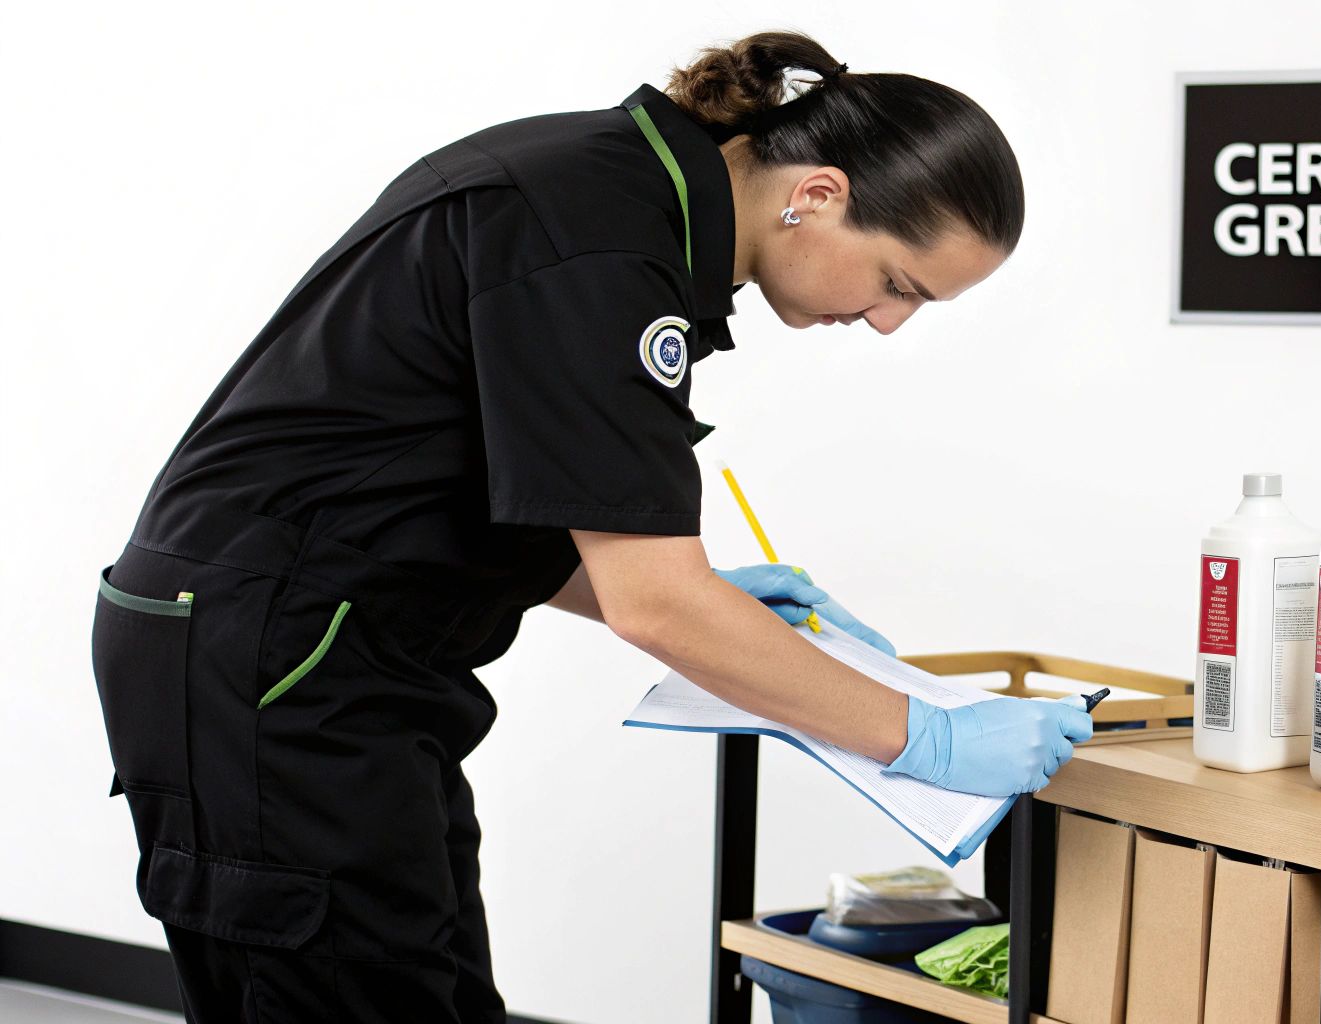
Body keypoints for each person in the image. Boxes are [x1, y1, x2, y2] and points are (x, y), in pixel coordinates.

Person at [89, 29, 1092, 1023]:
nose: (886, 323)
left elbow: (461, 484)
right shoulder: (600, 239)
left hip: (315, 652)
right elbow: (655, 605)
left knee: (419, 989)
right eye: (896, 284)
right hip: (274, 663)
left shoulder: (608, 195)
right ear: (818, 195)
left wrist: (686, 595)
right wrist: (925, 739)